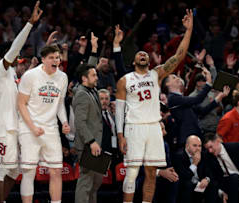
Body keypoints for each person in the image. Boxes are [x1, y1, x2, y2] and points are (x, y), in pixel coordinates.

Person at [115, 9, 193, 203]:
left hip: (153, 128)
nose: (142, 55)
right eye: (139, 54)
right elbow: (119, 110)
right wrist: (120, 135)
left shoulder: (156, 74)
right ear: (133, 61)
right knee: (132, 172)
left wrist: (189, 30)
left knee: (151, 173)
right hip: (134, 128)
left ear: (149, 61)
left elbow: (179, 55)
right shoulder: (125, 80)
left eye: (145, 54)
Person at [0, 2, 42, 203]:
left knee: (14, 170)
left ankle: (1, 199)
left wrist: (32, 71)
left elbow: (19, 90)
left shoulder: (10, 74)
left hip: (14, 127)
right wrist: (29, 24)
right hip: (3, 126)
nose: (18, 59)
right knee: (1, 169)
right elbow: (14, 48)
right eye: (16, 56)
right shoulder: (0, 70)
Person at [17, 44, 70, 203]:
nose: (56, 60)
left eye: (58, 57)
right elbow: (20, 104)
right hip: (29, 126)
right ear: (43, 59)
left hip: (51, 128)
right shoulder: (30, 75)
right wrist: (32, 127)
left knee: (56, 171)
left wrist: (65, 122)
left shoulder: (62, 77)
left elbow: (60, 103)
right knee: (29, 171)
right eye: (52, 58)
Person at [164, 68, 230, 149]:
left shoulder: (181, 98)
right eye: (174, 78)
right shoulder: (172, 98)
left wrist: (219, 97)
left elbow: (202, 111)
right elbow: (197, 99)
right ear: (167, 84)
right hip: (187, 138)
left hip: (195, 135)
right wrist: (208, 83)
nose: (178, 78)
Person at [72, 63, 103, 203]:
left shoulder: (92, 90)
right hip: (88, 145)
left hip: (96, 143)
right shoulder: (81, 94)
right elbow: (80, 123)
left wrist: (94, 49)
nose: (97, 77)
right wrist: (91, 142)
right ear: (84, 78)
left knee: (95, 184)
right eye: (93, 75)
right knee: (86, 184)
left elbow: (87, 66)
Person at [203, 132, 239, 203]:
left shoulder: (235, 147)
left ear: (217, 141)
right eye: (207, 149)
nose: (210, 151)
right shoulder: (207, 156)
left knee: (237, 178)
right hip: (226, 183)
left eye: (211, 147)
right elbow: (212, 177)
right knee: (234, 177)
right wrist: (221, 191)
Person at [173, 135, 217, 203]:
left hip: (199, 185)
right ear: (187, 146)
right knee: (188, 184)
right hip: (186, 185)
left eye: (200, 146)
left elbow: (209, 172)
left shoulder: (203, 155)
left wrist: (206, 179)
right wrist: (195, 163)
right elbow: (184, 177)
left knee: (212, 184)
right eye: (195, 145)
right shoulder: (178, 156)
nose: (198, 148)